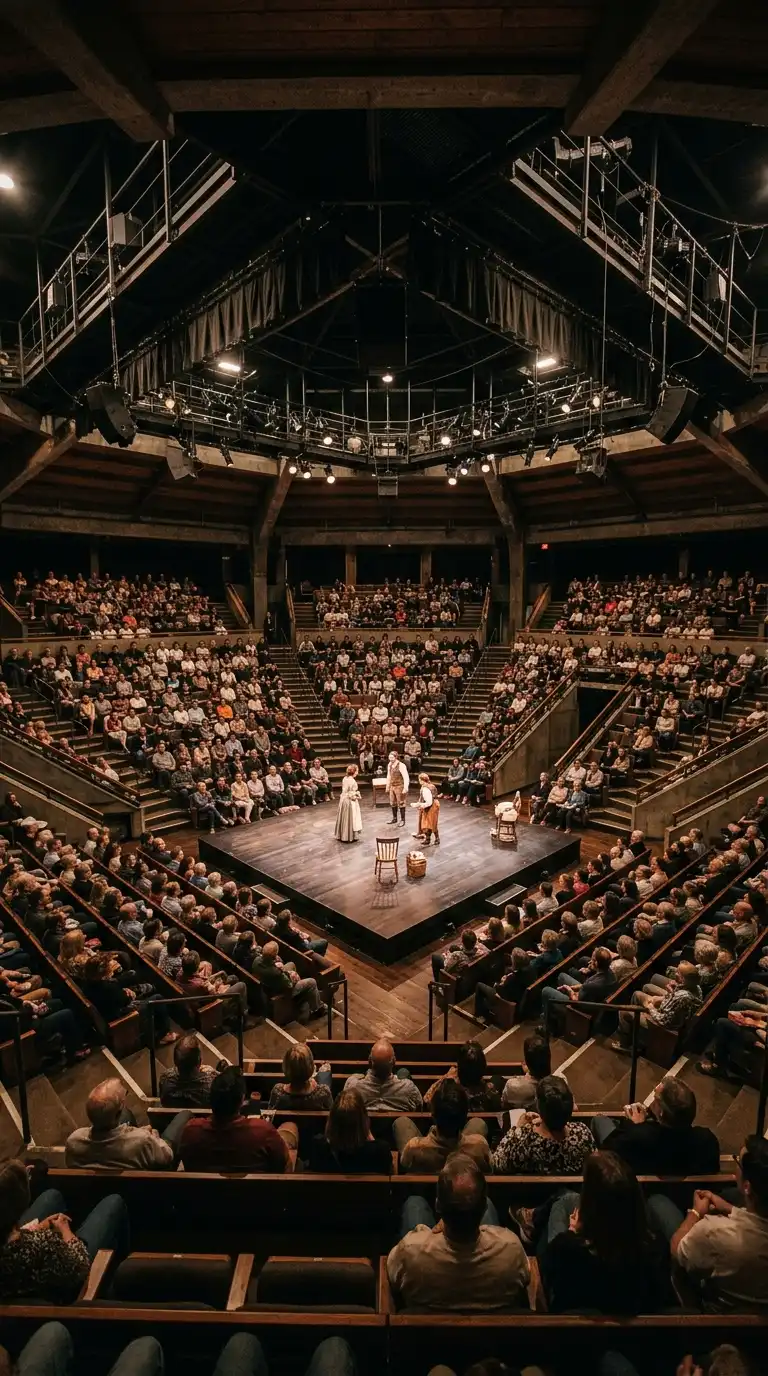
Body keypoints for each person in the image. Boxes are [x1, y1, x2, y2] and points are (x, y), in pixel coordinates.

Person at [386, 1154, 530, 1312]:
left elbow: (392, 1274)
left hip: (427, 1326)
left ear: (437, 1205)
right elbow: (526, 1277)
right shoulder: (511, 1247)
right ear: (484, 1209)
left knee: (415, 1203)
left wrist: (425, 1233)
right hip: (493, 1326)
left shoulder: (410, 1250)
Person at [539, 1150, 672, 1313]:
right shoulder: (657, 1247)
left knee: (563, 1202)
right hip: (640, 1326)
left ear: (589, 1205)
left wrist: (572, 1231)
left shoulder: (564, 1249)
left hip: (573, 1325)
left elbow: (549, 1280)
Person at [647, 1133, 768, 1312]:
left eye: (738, 1163)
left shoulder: (713, 1232)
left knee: (658, 1203)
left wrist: (695, 1213)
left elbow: (677, 1249)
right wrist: (730, 1209)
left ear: (747, 1187)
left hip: (716, 1314)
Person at [0, 1159, 129, 1302]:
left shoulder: (25, 1239)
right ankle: (115, 1287)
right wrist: (65, 1230)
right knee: (113, 1203)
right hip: (62, 1291)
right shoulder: (43, 1244)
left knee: (52, 1196)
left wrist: (36, 1227)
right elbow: (79, 1267)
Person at [590, 1076, 720, 1175]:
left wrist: (632, 1124)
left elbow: (610, 1149)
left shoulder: (639, 1137)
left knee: (599, 1120)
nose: (652, 1101)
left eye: (656, 1098)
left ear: (661, 1112)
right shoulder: (707, 1140)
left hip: (643, 1184)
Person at [179, 1066, 297, 1173]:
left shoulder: (191, 1130)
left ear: (211, 1098)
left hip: (201, 1190)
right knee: (290, 1128)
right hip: (257, 1190)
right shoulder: (262, 1130)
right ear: (242, 1100)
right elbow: (282, 1164)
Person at [65, 1077, 188, 1169]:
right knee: (185, 1114)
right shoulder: (143, 1140)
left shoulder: (73, 1141)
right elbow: (167, 1157)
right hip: (143, 1187)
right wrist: (154, 1136)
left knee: (127, 1114)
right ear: (119, 1110)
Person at [492, 1075, 594, 1174]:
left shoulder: (522, 1141)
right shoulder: (583, 1134)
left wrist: (517, 1128)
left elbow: (496, 1163)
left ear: (538, 1106)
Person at [394, 1078, 491, 1173]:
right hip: (464, 1161)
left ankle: (433, 1133)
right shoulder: (480, 1145)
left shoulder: (413, 1148)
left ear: (433, 1116)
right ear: (465, 1116)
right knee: (478, 1122)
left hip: (424, 1159)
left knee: (402, 1122)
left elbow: (404, 1164)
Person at [308, 1087, 393, 1174]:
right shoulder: (381, 1151)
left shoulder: (318, 1148)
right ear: (363, 1120)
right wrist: (367, 1133)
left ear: (332, 1119)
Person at [343, 1037, 423, 1111]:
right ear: (394, 1061)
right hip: (398, 1120)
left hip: (366, 1122)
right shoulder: (408, 1088)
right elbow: (420, 1107)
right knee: (403, 1072)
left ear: (369, 1061)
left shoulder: (353, 1087)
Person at [268, 1043, 333, 1112]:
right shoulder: (323, 1092)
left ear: (286, 1067)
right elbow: (332, 1114)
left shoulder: (277, 1092)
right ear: (312, 1067)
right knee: (325, 1075)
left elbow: (270, 1114)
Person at [158, 1033, 217, 1109]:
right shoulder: (211, 1083)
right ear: (200, 1062)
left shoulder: (165, 1078)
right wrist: (214, 1072)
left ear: (175, 1061)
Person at [334, 764, 362, 843]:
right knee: (350, 818)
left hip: (343, 800)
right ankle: (349, 836)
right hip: (349, 801)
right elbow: (350, 793)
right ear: (354, 771)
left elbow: (345, 791)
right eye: (356, 771)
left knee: (344, 817)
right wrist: (356, 795)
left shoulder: (345, 778)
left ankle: (342, 835)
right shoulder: (352, 780)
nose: (357, 772)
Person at [412, 771, 440, 845]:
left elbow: (429, 802)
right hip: (433, 804)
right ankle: (428, 839)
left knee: (431, 823)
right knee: (427, 823)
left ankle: (437, 838)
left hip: (432, 806)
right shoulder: (429, 785)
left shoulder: (426, 789)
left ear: (422, 780)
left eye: (419, 779)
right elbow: (422, 798)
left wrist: (418, 805)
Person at [385, 750, 409, 827]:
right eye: (389, 758)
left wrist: (405, 788)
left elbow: (406, 777)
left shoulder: (401, 765)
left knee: (401, 803)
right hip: (392, 786)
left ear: (396, 757)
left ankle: (403, 820)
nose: (390, 759)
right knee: (393, 803)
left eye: (392, 758)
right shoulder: (389, 765)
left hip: (399, 786)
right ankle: (394, 818)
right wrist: (387, 786)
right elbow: (389, 776)